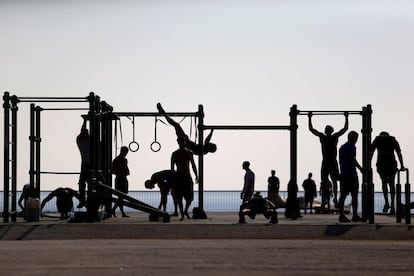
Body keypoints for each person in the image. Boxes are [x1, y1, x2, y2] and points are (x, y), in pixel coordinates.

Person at [309, 112, 348, 207]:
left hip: (327, 161)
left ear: (326, 131)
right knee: (332, 181)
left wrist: (309, 118)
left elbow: (311, 129)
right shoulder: (333, 137)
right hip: (331, 161)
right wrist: (346, 118)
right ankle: (332, 198)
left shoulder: (324, 137)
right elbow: (345, 129)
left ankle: (326, 200)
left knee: (326, 181)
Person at [370, 131, 405, 214]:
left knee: (384, 183)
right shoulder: (392, 140)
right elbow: (399, 153)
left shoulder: (378, 139)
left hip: (381, 164)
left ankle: (386, 202)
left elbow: (371, 152)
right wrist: (402, 165)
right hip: (392, 164)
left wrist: (369, 163)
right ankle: (392, 205)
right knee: (392, 184)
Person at [338, 131, 364, 223]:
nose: (356, 140)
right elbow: (353, 159)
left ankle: (341, 215)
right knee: (354, 195)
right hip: (351, 174)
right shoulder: (352, 147)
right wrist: (361, 168)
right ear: (353, 138)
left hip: (343, 174)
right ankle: (355, 215)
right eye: (356, 138)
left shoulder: (341, 148)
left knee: (343, 195)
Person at [171, 136, 198, 221]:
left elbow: (193, 165)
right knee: (179, 197)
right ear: (178, 143)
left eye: (183, 142)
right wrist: (173, 178)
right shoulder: (175, 153)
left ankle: (185, 211)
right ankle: (182, 214)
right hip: (178, 176)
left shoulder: (189, 153)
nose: (181, 144)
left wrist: (196, 175)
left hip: (187, 176)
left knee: (189, 198)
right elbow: (172, 167)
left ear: (185, 143)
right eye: (180, 142)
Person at [111, 146, 130, 217]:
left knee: (120, 197)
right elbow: (126, 170)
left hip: (118, 178)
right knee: (121, 197)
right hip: (122, 179)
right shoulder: (123, 160)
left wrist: (117, 172)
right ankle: (116, 211)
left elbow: (112, 170)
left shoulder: (115, 160)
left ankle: (118, 211)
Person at [76, 118, 90, 208]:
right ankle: (83, 199)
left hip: (90, 164)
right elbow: (82, 130)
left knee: (89, 183)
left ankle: (86, 199)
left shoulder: (90, 140)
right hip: (85, 164)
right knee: (82, 182)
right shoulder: (80, 140)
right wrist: (85, 121)